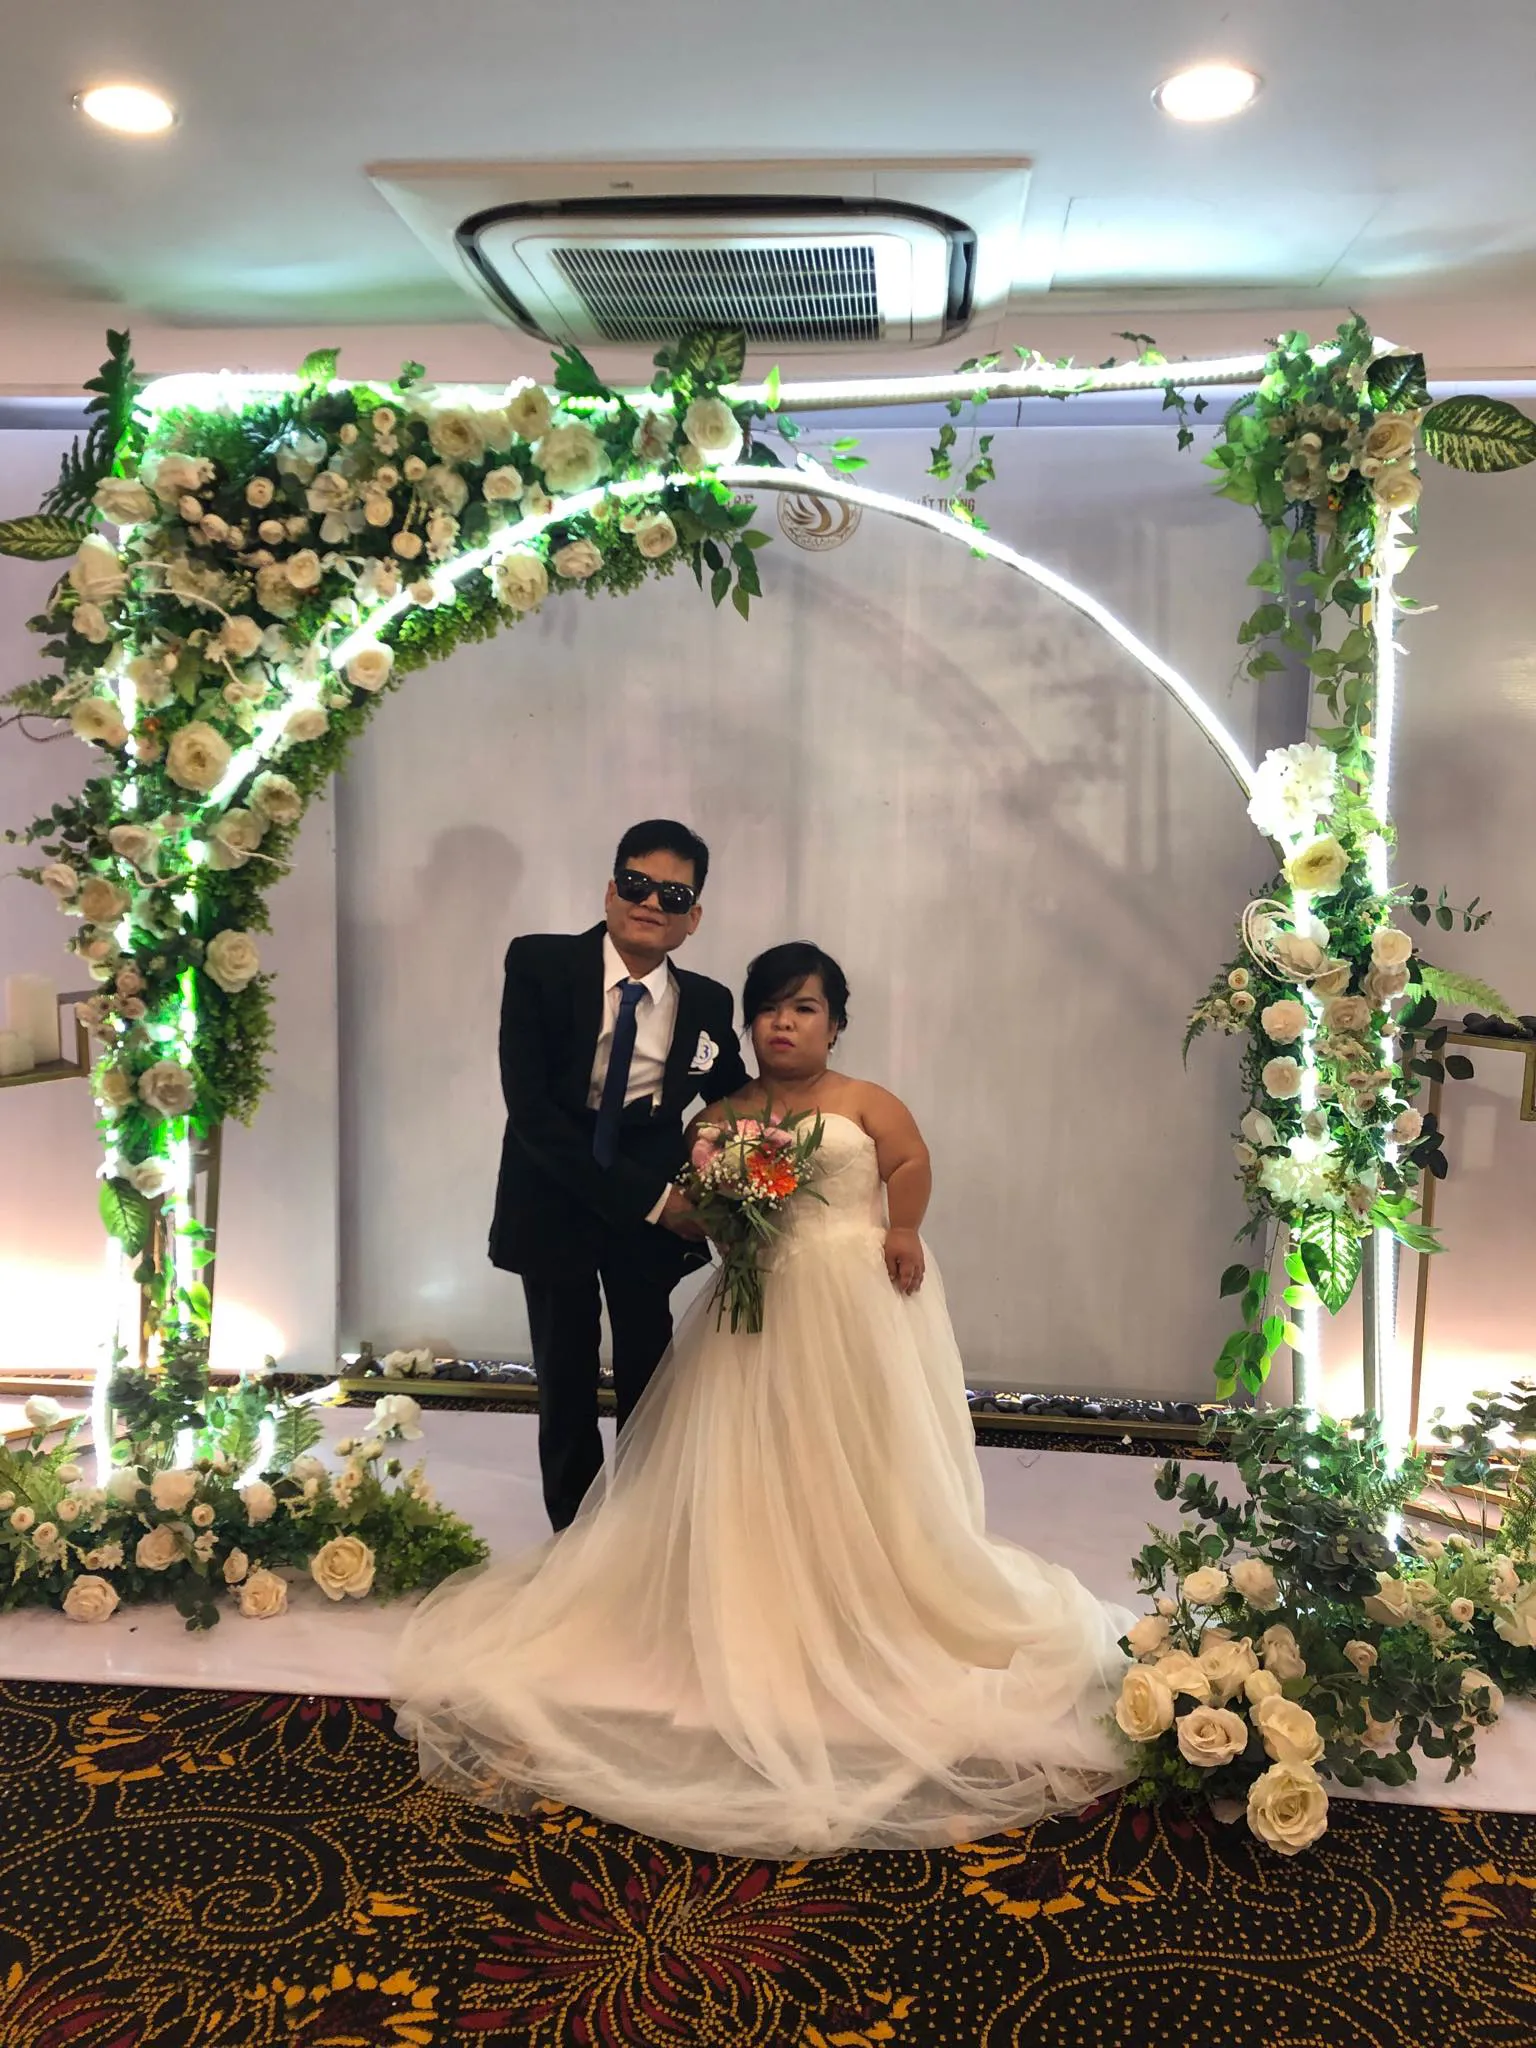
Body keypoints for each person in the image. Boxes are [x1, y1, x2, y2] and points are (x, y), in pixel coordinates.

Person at [401, 942, 1132, 1858]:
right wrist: (728, 1217)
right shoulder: (721, 1115)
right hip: (759, 1301)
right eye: (770, 1009)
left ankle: (869, 1582)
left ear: (835, 1023)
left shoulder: (864, 1100)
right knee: (749, 1446)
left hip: (858, 1298)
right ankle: (755, 1590)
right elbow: (702, 1207)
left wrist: (904, 1227)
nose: (785, 1023)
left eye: (805, 1008)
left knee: (862, 1444)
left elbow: (909, 1158)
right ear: (749, 1024)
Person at [488, 820, 750, 1531]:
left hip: (648, 1211)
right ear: (610, 891)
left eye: (673, 894)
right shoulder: (540, 964)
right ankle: (575, 1537)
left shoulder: (707, 1002)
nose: (651, 902)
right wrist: (658, 1200)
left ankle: (644, 1530)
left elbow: (732, 1095)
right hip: (556, 1193)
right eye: (637, 884)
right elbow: (532, 1112)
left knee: (650, 1371)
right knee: (565, 1375)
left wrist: (795, 1123)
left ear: (693, 917)